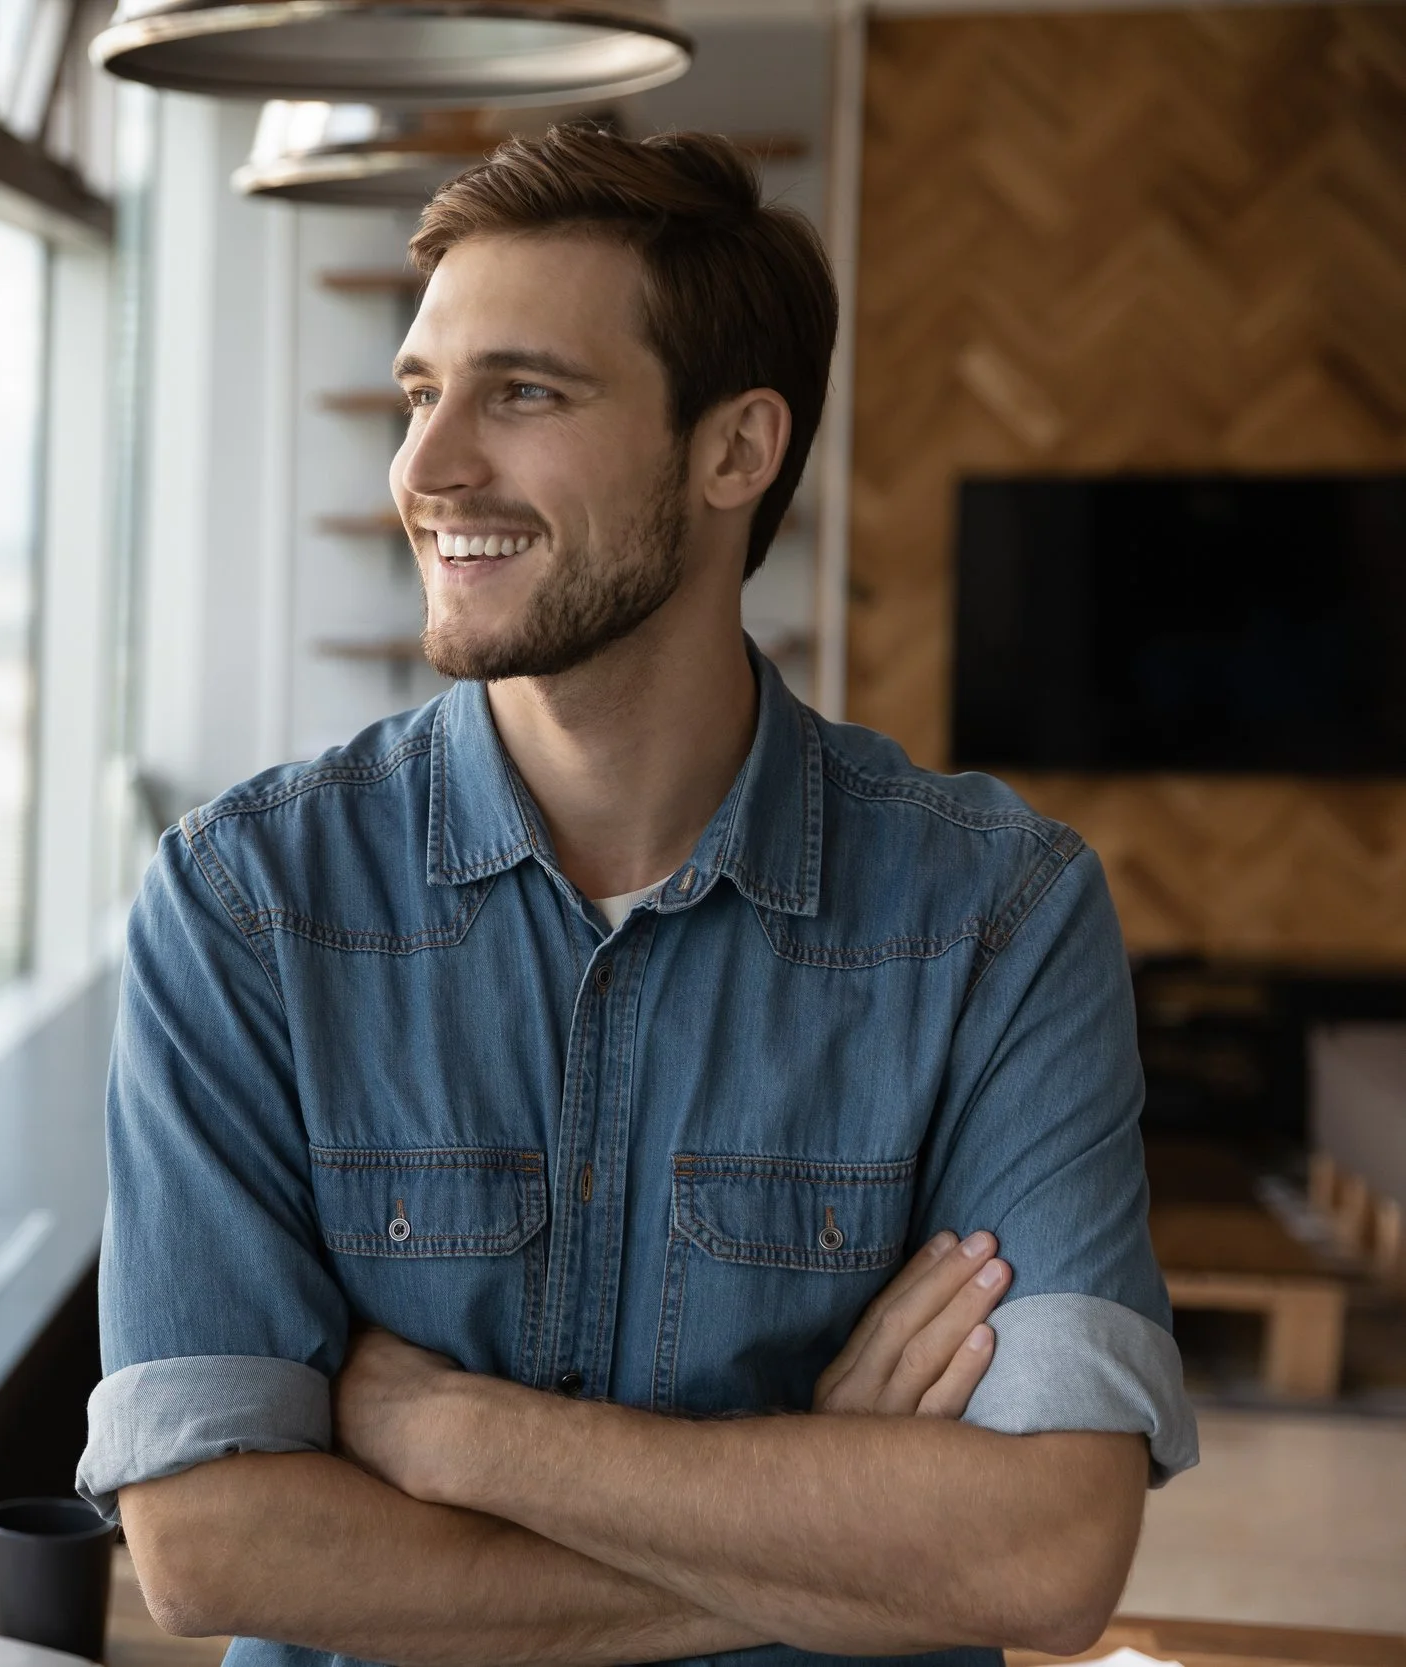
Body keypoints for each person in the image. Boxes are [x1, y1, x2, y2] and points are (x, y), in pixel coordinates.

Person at [76, 126, 1195, 1667]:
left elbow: (1050, 1551)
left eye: (522, 391)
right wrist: (838, 1515)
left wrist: (450, 1432)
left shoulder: (997, 913)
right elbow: (210, 1548)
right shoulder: (247, 902)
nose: (427, 466)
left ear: (735, 449)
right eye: (422, 393)